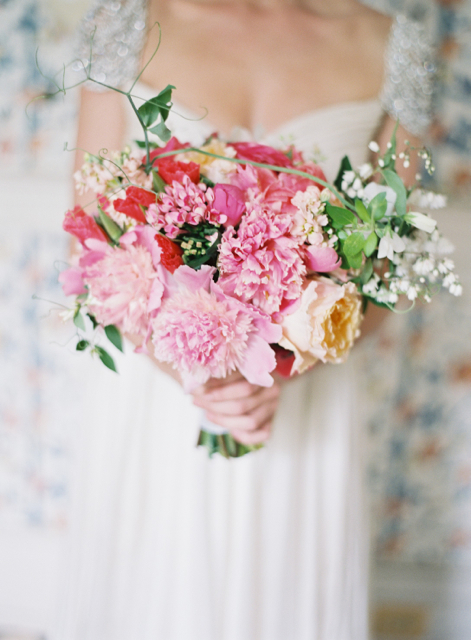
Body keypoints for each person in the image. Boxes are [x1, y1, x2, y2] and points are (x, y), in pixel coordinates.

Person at [59, 0, 434, 638]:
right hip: (158, 390)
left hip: (304, 395)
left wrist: (279, 368)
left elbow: (395, 265)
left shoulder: (394, 42)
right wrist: (194, 373)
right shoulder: (124, 23)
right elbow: (91, 237)